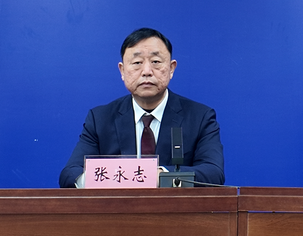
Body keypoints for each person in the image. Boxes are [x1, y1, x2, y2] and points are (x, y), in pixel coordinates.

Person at [59, 28, 224, 188]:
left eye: (156, 62)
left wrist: (159, 176)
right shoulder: (100, 119)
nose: (146, 71)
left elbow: (213, 173)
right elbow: (70, 174)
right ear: (122, 70)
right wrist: (113, 177)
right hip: (118, 207)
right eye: (137, 63)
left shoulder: (200, 117)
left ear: (171, 68)